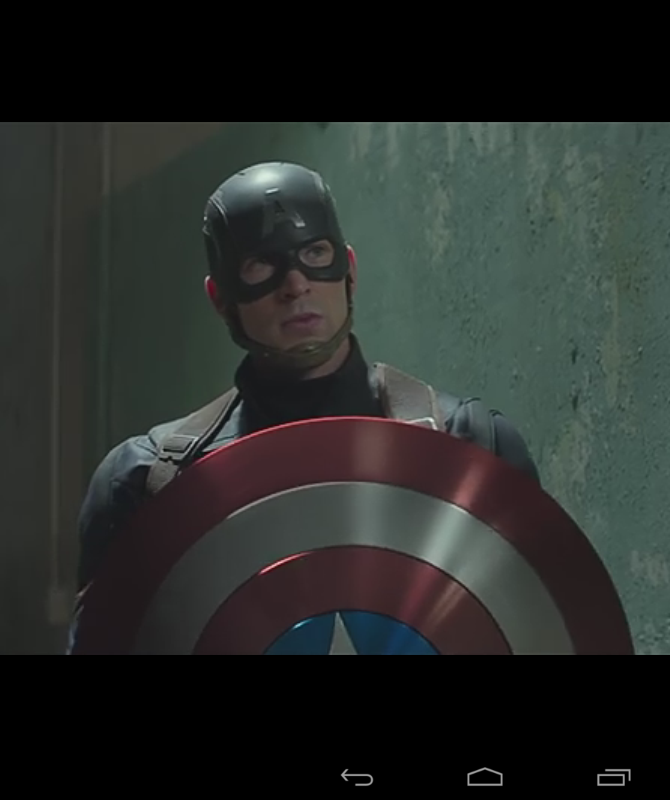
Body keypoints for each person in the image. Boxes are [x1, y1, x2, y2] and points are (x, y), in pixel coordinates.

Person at [69, 161, 541, 649]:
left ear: (349, 270)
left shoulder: (471, 448)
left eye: (315, 253)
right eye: (261, 265)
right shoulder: (147, 483)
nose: (295, 285)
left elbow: (541, 628)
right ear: (220, 298)